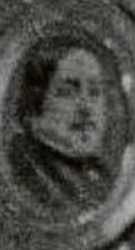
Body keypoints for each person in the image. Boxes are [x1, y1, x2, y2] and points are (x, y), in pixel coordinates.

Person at [8, 41, 114, 211]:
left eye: (95, 92)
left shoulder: (100, 178)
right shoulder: (24, 175)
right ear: (35, 102)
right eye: (68, 92)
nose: (86, 107)